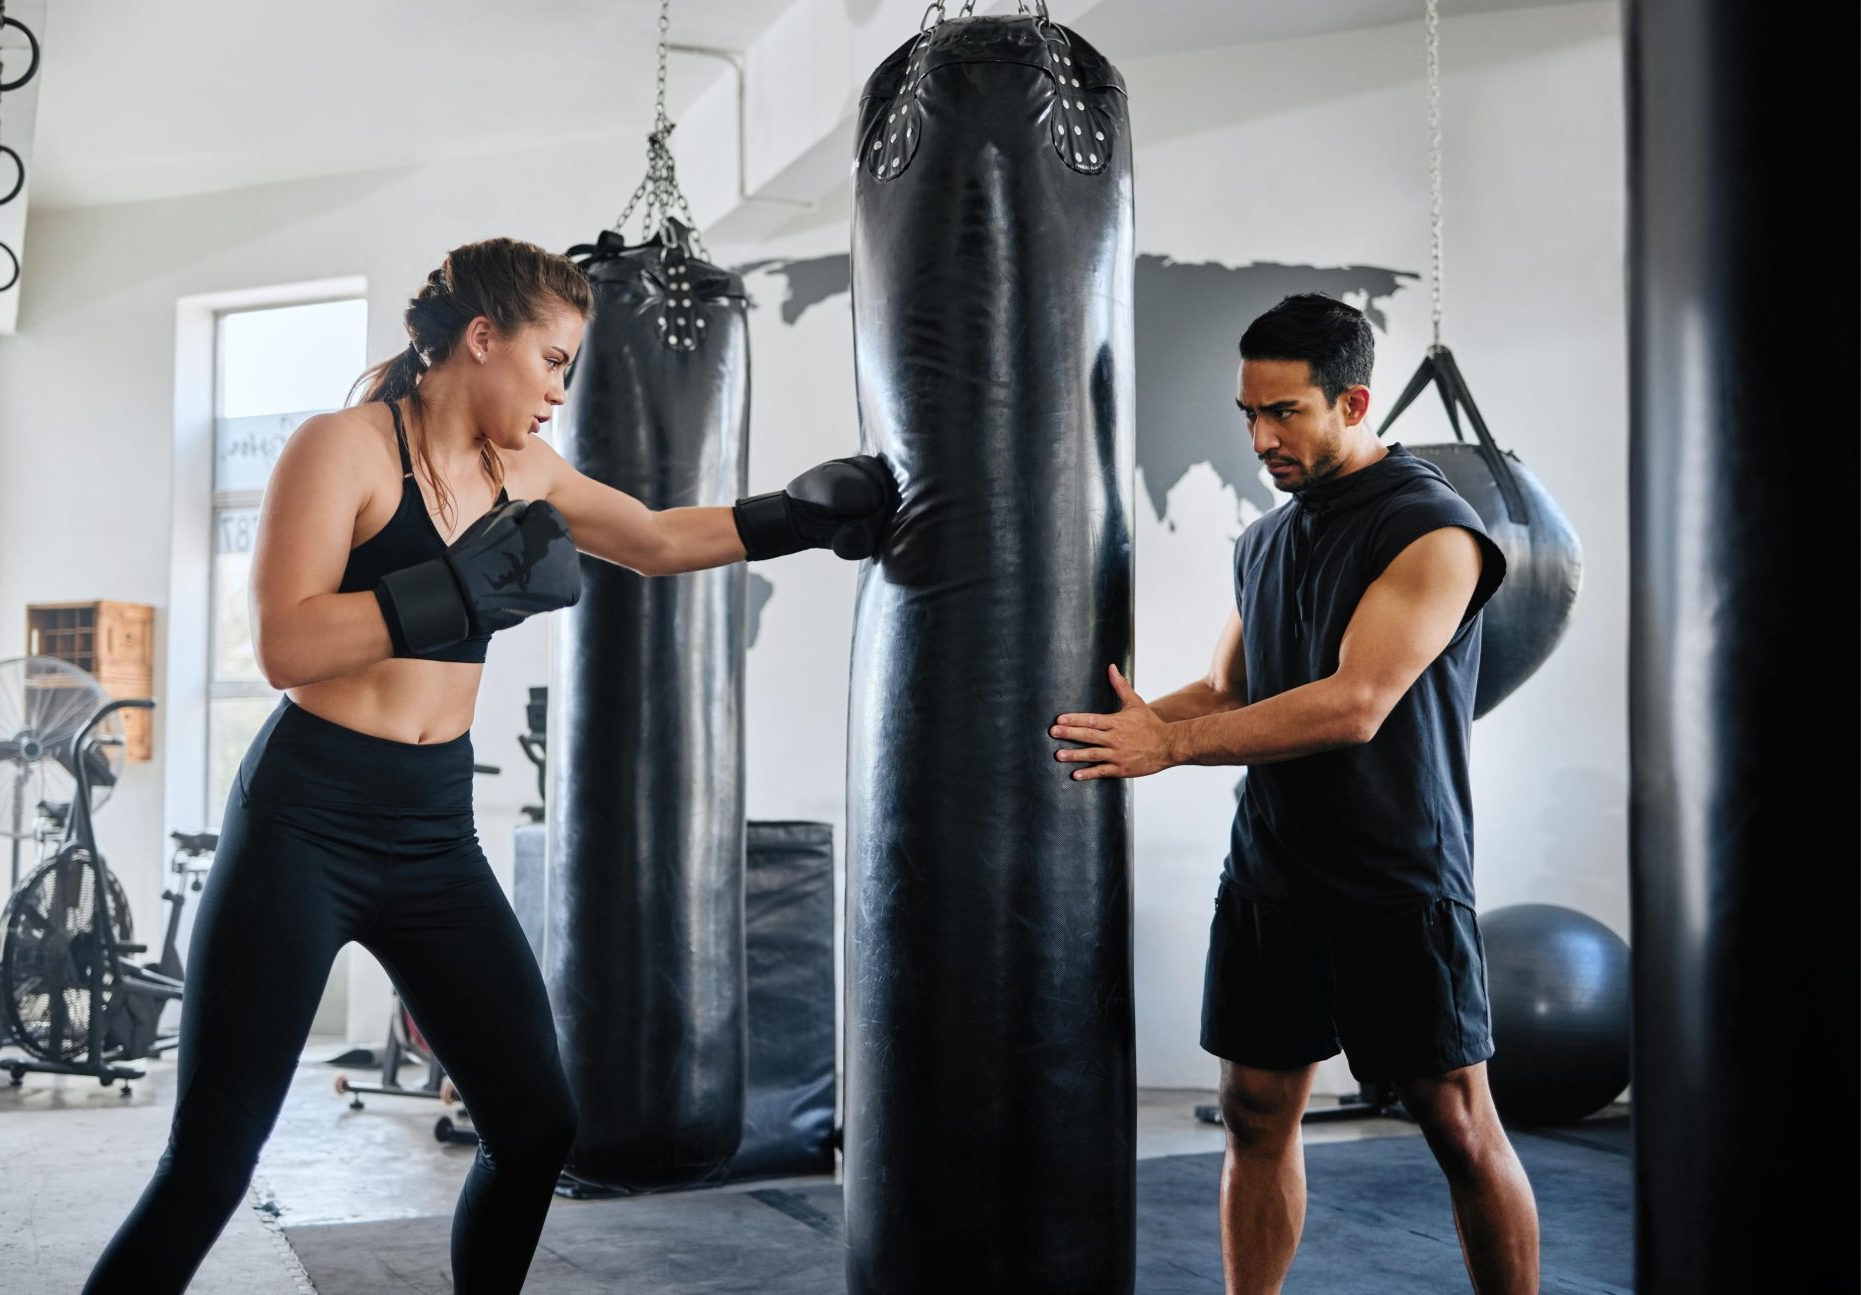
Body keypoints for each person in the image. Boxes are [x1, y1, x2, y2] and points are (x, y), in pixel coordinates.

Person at [83, 237, 893, 1295]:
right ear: (481, 339)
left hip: (432, 828)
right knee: (211, 1162)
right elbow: (286, 644)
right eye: (553, 361)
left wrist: (797, 516)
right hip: (305, 822)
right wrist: (451, 593)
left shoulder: (526, 470)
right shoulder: (344, 449)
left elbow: (650, 537)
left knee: (535, 1121)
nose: (561, 390)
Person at [1047, 293, 1540, 1293]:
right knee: (1255, 1111)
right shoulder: (1265, 541)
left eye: (1285, 413)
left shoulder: (1433, 532)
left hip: (1399, 871)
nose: (1261, 438)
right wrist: (1100, 727)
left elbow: (1355, 703)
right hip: (1276, 869)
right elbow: (1232, 688)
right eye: (1249, 414)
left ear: (1353, 402)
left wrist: (1171, 743)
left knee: (1454, 1119)